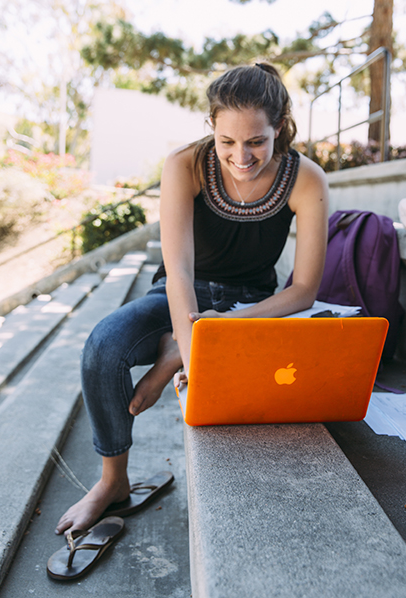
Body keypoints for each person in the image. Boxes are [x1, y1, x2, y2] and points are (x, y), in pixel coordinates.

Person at [55, 62, 328, 536]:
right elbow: (179, 269)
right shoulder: (185, 165)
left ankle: (171, 350)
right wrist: (192, 337)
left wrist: (190, 349)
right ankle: (113, 480)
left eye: (256, 142)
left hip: (252, 305)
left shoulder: (306, 178)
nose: (241, 156)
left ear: (279, 127)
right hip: (179, 292)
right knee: (103, 348)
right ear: (212, 128)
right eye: (227, 142)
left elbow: (303, 290)